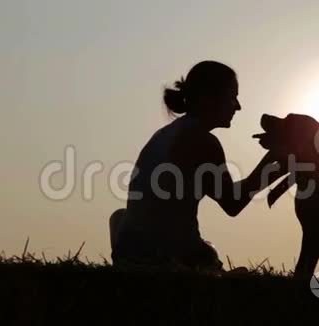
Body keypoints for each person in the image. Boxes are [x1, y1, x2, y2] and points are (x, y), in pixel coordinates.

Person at [110, 61, 283, 271]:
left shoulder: (165, 134)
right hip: (164, 258)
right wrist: (278, 162)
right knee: (208, 253)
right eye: (232, 96)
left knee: (120, 216)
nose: (237, 106)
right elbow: (233, 202)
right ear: (208, 98)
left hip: (129, 250)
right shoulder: (203, 141)